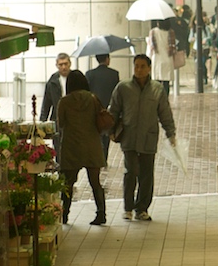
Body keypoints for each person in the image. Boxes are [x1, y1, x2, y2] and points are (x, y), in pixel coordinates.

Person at [108, 54, 177, 222]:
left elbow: (165, 113)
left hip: (148, 137)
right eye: (136, 66)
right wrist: (110, 130)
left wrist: (170, 133)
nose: (139, 70)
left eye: (142, 66)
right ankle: (128, 208)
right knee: (131, 171)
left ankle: (142, 208)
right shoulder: (123, 88)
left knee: (146, 174)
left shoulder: (157, 89)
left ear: (149, 68)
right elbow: (113, 110)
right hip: (129, 137)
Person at [57, 71, 107, 226]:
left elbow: (61, 123)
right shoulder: (93, 99)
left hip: (71, 146)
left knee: (68, 183)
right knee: (95, 182)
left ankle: (64, 214)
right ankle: (101, 213)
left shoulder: (64, 102)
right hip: (92, 145)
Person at [85, 54, 121, 161]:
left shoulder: (89, 74)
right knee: (106, 133)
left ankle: (96, 157)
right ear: (107, 59)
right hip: (109, 108)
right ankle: (104, 157)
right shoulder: (114, 74)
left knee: (95, 133)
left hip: (94, 108)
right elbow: (117, 92)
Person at [40, 53, 71, 163]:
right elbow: (46, 102)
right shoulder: (52, 81)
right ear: (57, 65)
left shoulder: (75, 78)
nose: (64, 67)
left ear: (70, 63)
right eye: (61, 64)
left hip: (73, 118)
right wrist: (42, 123)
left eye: (66, 64)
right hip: (57, 119)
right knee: (58, 146)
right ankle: (60, 168)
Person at [147, 19, 176, 97]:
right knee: (166, 83)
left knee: (156, 82)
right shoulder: (171, 32)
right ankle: (165, 99)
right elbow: (173, 47)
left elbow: (150, 48)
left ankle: (157, 99)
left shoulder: (153, 32)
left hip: (157, 59)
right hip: (168, 59)